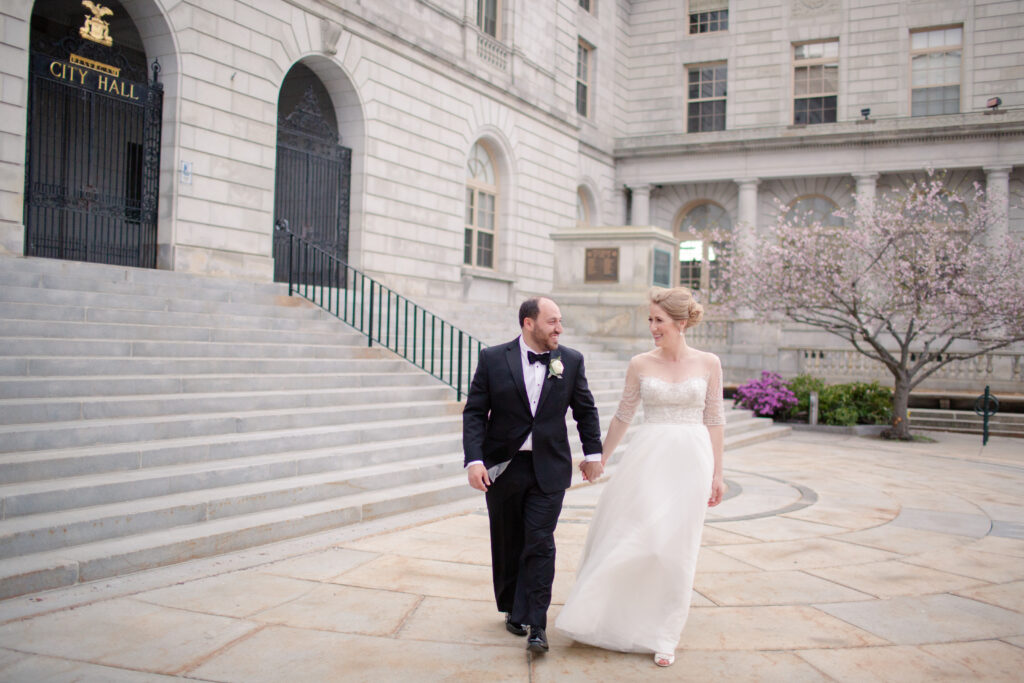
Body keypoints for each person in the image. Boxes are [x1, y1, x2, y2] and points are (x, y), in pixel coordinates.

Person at [555, 286, 727, 667]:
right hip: (647, 459)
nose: (652, 327)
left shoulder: (709, 363)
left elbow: (714, 419)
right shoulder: (640, 363)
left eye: (659, 320)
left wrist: (718, 473)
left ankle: (665, 633)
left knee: (676, 549)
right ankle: (604, 614)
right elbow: (623, 415)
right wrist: (598, 457)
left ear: (681, 323)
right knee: (638, 538)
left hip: (692, 461)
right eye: (650, 319)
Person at [463, 296, 603, 654]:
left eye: (560, 321)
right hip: (503, 468)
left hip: (549, 469)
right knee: (509, 540)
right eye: (552, 321)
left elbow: (585, 410)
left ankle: (537, 624)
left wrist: (592, 453)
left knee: (540, 541)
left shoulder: (570, 361)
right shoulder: (493, 358)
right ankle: (513, 607)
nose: (559, 328)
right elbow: (476, 412)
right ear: (528, 323)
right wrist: (474, 460)